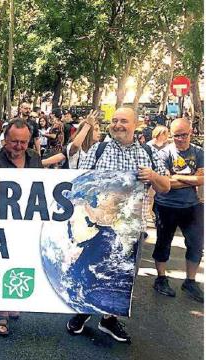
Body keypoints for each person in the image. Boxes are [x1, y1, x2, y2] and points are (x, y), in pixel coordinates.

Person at [66, 107, 170, 344]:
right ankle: (83, 312)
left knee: (120, 275)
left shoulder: (149, 154)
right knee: (91, 266)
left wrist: (153, 176)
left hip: (131, 230)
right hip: (100, 225)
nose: (117, 125)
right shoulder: (98, 149)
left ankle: (109, 319)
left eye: (123, 121)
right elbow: (79, 178)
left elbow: (166, 186)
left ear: (136, 124)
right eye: (114, 121)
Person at [0, 119, 42, 336]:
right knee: (3, 265)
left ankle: (13, 300)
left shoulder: (35, 158)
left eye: (23, 143)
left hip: (26, 223)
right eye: (14, 142)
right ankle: (1, 314)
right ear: (4, 140)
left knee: (22, 261)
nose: (19, 147)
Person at [152, 118, 204, 303]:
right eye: (176, 135)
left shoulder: (199, 152)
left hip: (193, 206)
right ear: (171, 135)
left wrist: (175, 177)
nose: (181, 139)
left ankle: (190, 281)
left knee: (196, 245)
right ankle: (161, 278)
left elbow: (201, 180)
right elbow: (164, 185)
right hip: (166, 205)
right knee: (163, 242)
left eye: (184, 134)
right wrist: (190, 178)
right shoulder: (163, 153)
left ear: (191, 132)